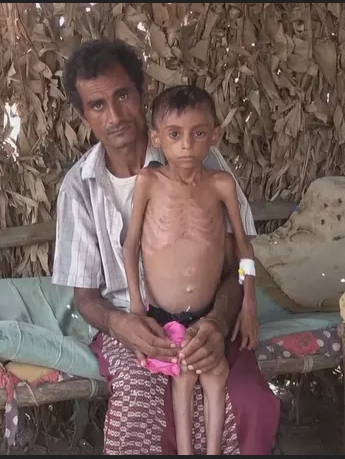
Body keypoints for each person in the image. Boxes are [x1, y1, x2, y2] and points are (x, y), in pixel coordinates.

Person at [52, 39, 280, 455]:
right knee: (138, 415)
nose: (116, 115)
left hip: (209, 318)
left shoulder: (201, 160)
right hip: (133, 326)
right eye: (98, 105)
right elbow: (84, 296)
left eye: (123, 95)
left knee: (249, 403)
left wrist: (221, 318)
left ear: (141, 94)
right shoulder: (78, 188)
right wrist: (122, 324)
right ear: (84, 115)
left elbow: (244, 261)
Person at [122, 85, 260, 455]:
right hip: (160, 313)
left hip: (208, 310)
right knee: (182, 377)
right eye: (174, 135)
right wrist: (136, 305)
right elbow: (131, 244)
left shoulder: (221, 185)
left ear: (214, 135)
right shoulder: (148, 182)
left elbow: (244, 249)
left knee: (216, 375)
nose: (187, 145)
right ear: (156, 138)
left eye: (199, 134)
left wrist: (249, 302)